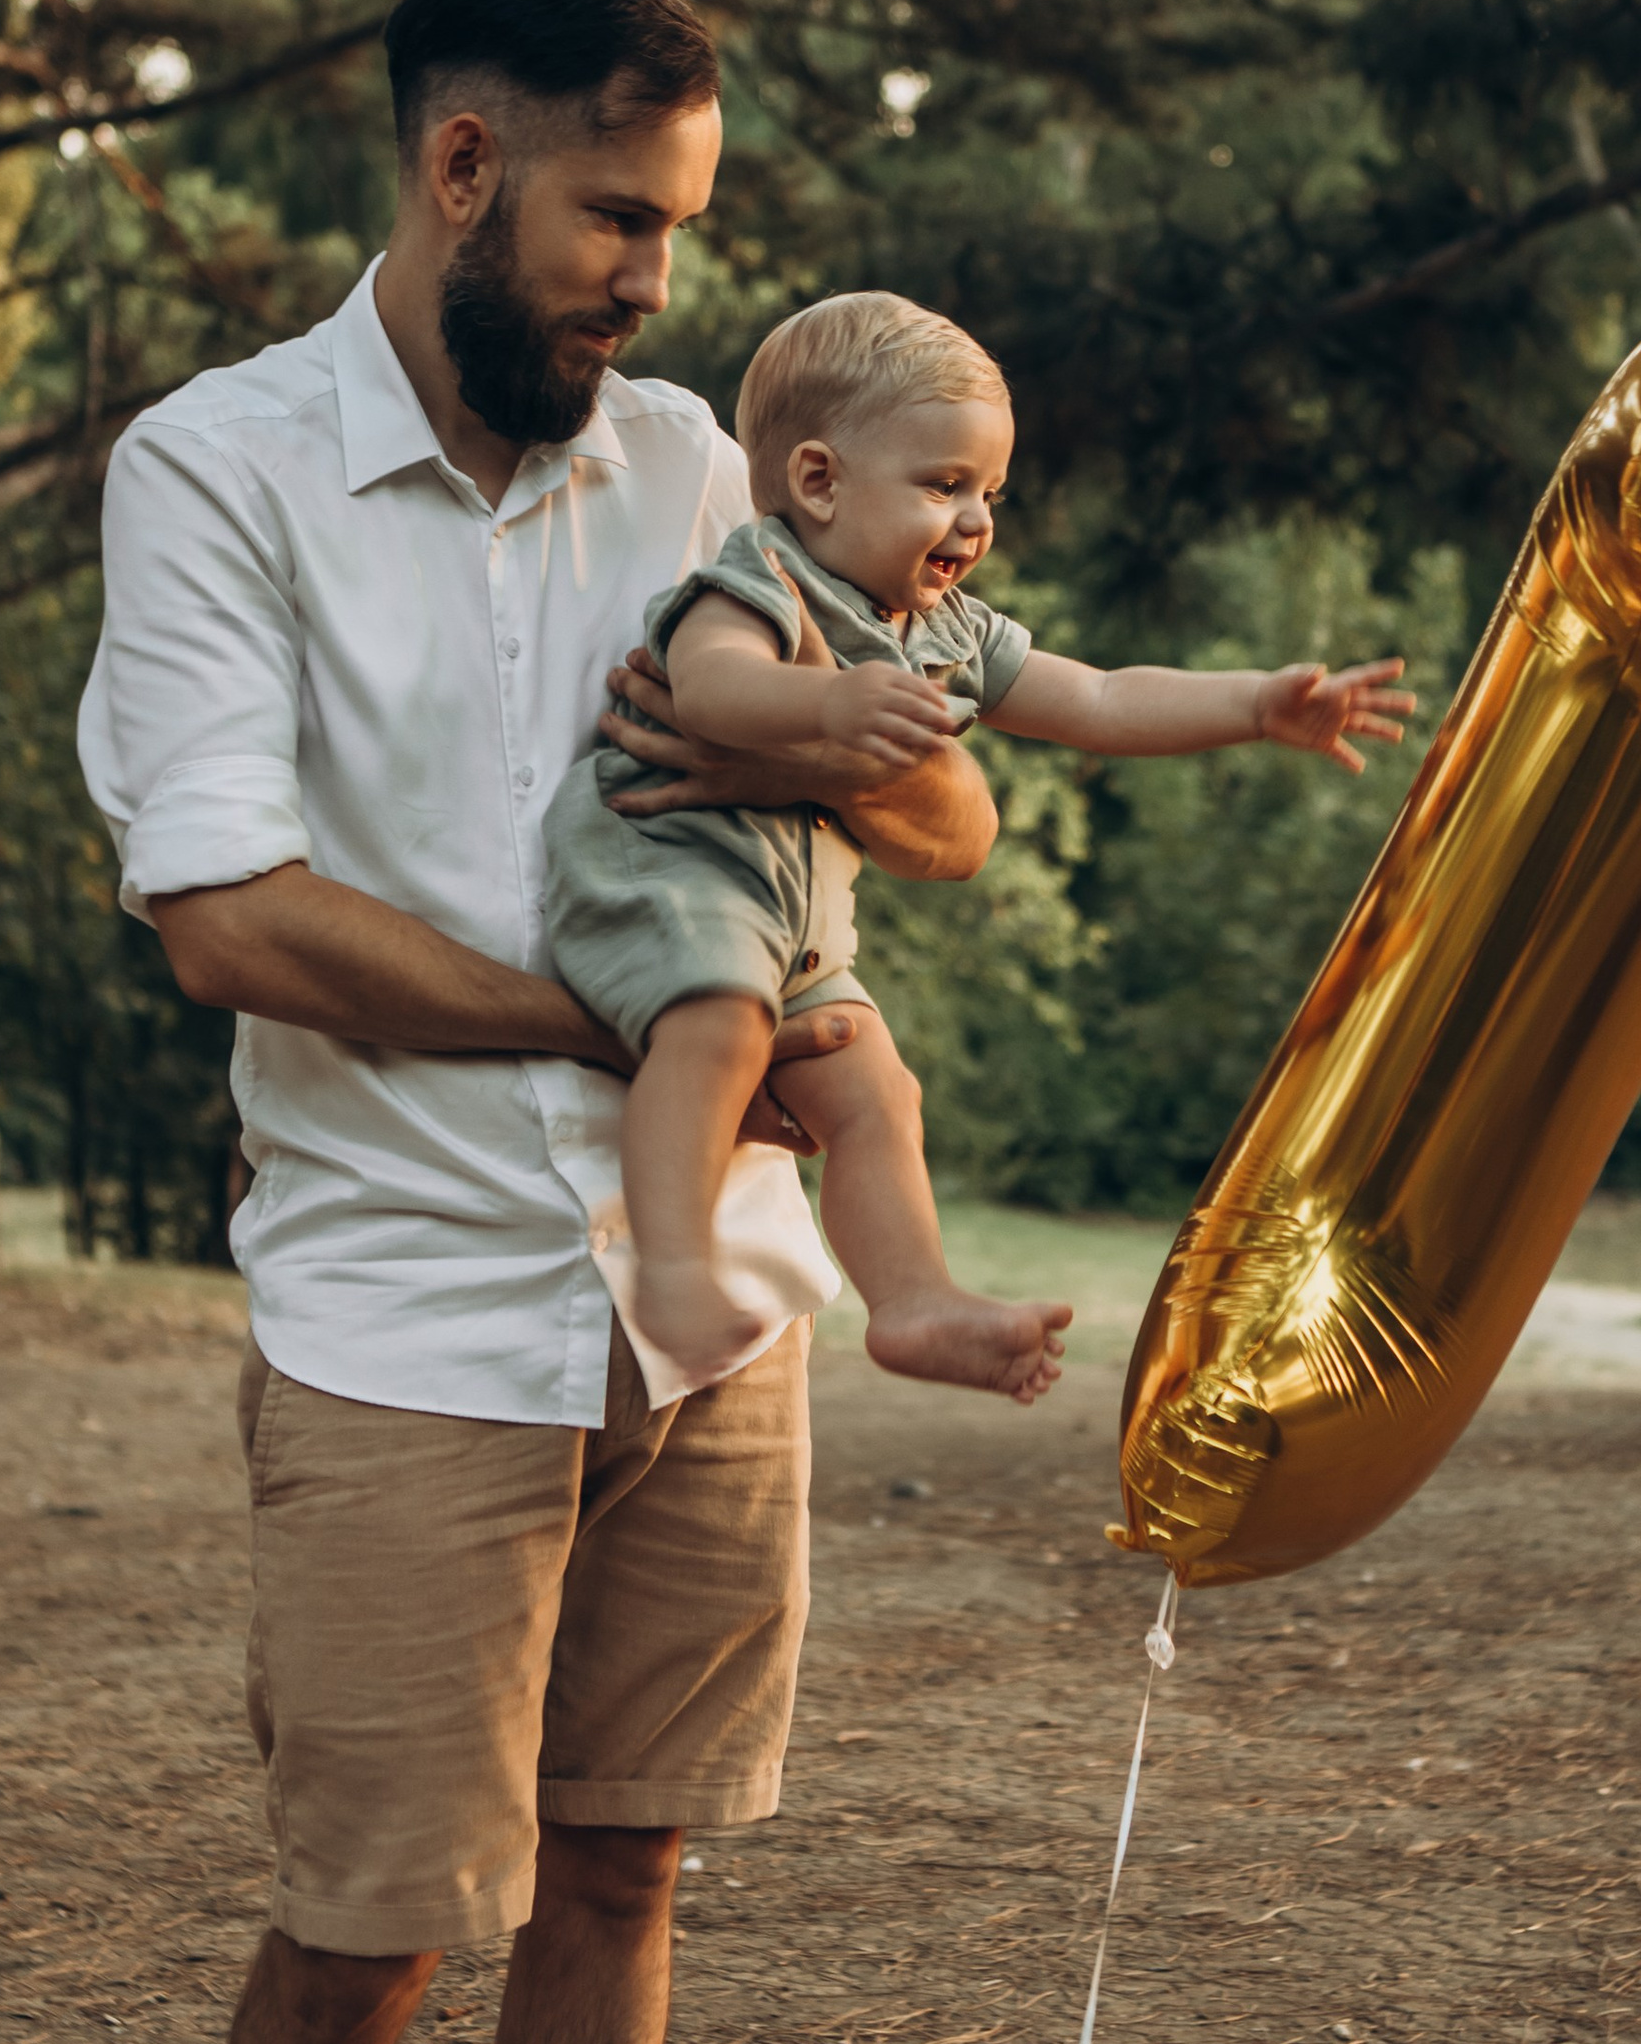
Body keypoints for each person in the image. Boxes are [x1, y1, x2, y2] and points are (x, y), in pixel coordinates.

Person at [71, 0, 1001, 2044]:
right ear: (463, 165)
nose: (651, 282)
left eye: (684, 227)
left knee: (627, 1876)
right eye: (615, 217)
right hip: (400, 1317)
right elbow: (229, 910)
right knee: (365, 1929)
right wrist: (627, 1008)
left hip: (706, 1322)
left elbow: (943, 801)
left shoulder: (715, 455)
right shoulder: (215, 467)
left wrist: (837, 755)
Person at [545, 290, 1415, 1399]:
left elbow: (1096, 699)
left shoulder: (945, 628)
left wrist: (1256, 706)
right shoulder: (762, 577)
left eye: (988, 492)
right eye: (943, 485)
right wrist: (824, 711)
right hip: (668, 873)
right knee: (719, 1022)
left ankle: (911, 1302)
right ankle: (670, 1267)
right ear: (817, 482)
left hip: (789, 933)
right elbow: (709, 684)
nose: (975, 521)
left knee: (879, 1096)